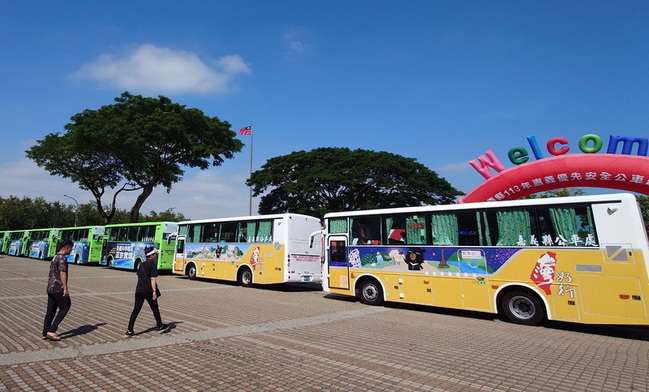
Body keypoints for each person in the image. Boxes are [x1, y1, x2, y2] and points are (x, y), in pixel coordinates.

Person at [125, 246, 169, 336]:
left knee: (136, 310)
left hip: (139, 290)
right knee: (155, 308)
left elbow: (140, 276)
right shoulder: (152, 265)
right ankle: (160, 326)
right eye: (155, 254)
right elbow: (152, 279)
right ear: (151, 256)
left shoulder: (141, 264)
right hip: (148, 290)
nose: (156, 256)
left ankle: (129, 330)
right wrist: (154, 291)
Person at [42, 240, 74, 341]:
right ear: (67, 247)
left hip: (50, 287)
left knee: (51, 310)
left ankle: (45, 332)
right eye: (71, 248)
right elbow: (62, 273)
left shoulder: (55, 257)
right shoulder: (62, 259)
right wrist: (65, 288)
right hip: (57, 288)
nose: (71, 251)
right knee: (65, 306)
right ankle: (52, 330)